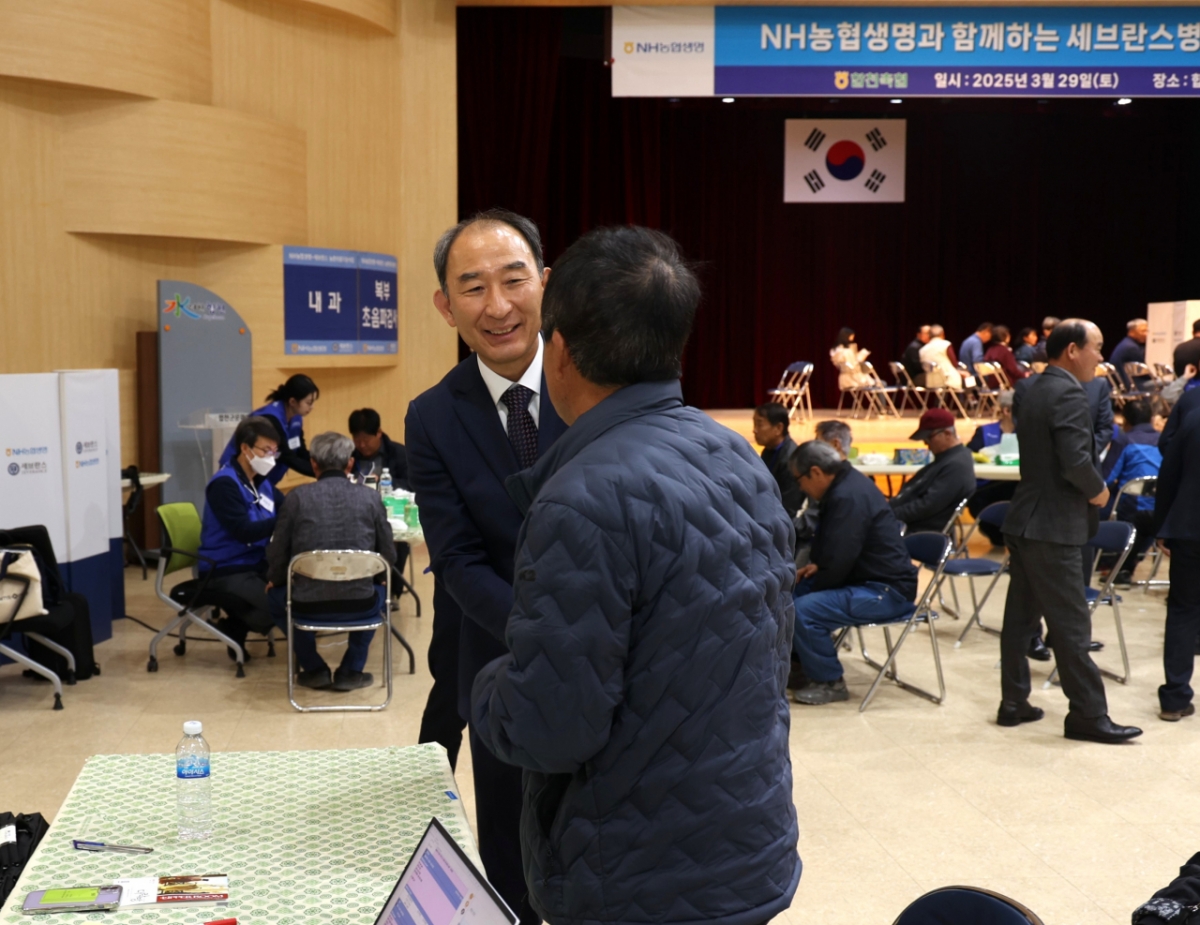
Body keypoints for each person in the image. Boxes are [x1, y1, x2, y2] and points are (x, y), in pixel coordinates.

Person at [471, 226, 801, 925]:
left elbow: (550, 725)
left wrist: (490, 685)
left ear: (560, 350)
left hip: (637, 875)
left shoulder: (583, 498)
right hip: (747, 841)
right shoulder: (736, 456)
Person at [406, 208, 568, 922]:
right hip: (501, 662)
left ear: (546, 282)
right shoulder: (432, 416)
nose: (497, 306)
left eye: (513, 279)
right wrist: (544, 636)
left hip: (615, 657)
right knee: (510, 850)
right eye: (472, 287)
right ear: (446, 306)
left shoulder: (600, 380)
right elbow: (457, 557)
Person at [996, 319, 1141, 743]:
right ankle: (1088, 715)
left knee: (1020, 621)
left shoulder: (1032, 388)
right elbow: (1076, 461)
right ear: (1073, 350)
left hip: (1025, 519)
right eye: (1097, 347)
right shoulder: (1069, 393)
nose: (1101, 357)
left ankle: (1013, 702)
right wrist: (1099, 493)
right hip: (1054, 525)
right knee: (1072, 626)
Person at [788, 439, 918, 705]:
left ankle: (829, 682)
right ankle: (799, 666)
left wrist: (819, 579)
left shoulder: (848, 496)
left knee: (803, 610)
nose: (800, 487)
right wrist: (817, 569)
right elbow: (841, 551)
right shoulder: (844, 486)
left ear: (816, 472)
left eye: (799, 480)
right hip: (866, 579)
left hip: (885, 591)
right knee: (789, 594)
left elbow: (840, 557)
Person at [264, 432, 395, 691]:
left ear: (313, 463)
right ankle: (352, 670)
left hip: (306, 605)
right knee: (381, 593)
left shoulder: (296, 498)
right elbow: (388, 555)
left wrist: (276, 580)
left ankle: (313, 668)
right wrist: (380, 577)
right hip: (361, 603)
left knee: (275, 598)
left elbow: (278, 552)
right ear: (350, 463)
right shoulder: (370, 498)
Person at [197, 416, 282, 657]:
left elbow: (286, 506)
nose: (271, 458)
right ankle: (235, 627)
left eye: (274, 452)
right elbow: (243, 531)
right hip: (226, 566)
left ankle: (235, 625)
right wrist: (283, 523)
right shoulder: (225, 484)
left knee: (294, 596)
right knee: (280, 607)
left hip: (255, 561)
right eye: (266, 451)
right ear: (245, 448)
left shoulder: (260, 482)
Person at [1152, 399, 1200, 722]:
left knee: (1182, 610)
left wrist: (1162, 528)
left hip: (1187, 528)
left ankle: (1174, 698)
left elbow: (1168, 473)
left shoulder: (1193, 418)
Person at [1100, 400, 1161, 585]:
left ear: (1125, 421)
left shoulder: (1124, 440)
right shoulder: (1165, 440)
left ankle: (1107, 562)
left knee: (1098, 504)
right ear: (1152, 419)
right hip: (1162, 508)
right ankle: (1128, 564)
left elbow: (1106, 477)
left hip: (1131, 509)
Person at [218, 374, 318, 485]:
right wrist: (319, 472)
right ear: (293, 402)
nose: (312, 407)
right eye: (308, 403)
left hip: (263, 479)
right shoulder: (271, 419)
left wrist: (325, 467)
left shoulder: (296, 418)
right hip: (238, 473)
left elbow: (300, 451)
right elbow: (285, 456)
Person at [889, 408, 977, 534]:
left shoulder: (957, 465)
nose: (926, 444)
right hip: (910, 525)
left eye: (929, 438)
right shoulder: (949, 459)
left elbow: (926, 506)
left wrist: (888, 515)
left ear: (947, 434)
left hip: (918, 531)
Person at [349, 407, 411, 573]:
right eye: (357, 440)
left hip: (391, 513)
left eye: (366, 440)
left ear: (378, 433)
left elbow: (411, 485)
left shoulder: (399, 453)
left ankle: (392, 582)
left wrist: (385, 483)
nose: (362, 445)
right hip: (357, 513)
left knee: (396, 541)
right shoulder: (349, 456)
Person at [966, 390, 1019, 546]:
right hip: (988, 487)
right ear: (1006, 411)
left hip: (1017, 486)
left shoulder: (1029, 433)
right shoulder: (985, 432)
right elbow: (970, 455)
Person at [752, 402, 803, 517]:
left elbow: (789, 506)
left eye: (759, 424)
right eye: (754, 424)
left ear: (778, 428)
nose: (754, 430)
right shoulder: (768, 450)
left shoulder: (792, 460)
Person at [1109, 318, 1150, 389]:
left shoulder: (1126, 343)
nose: (1146, 334)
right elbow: (1143, 373)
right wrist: (1154, 378)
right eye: (1143, 331)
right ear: (1132, 332)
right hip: (1131, 385)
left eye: (1147, 331)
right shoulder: (1131, 348)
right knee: (1166, 383)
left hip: (1123, 383)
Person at [919, 324, 962, 389]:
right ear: (942, 334)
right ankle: (969, 395)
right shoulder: (946, 344)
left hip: (931, 382)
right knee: (967, 376)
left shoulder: (922, 350)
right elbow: (955, 364)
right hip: (948, 379)